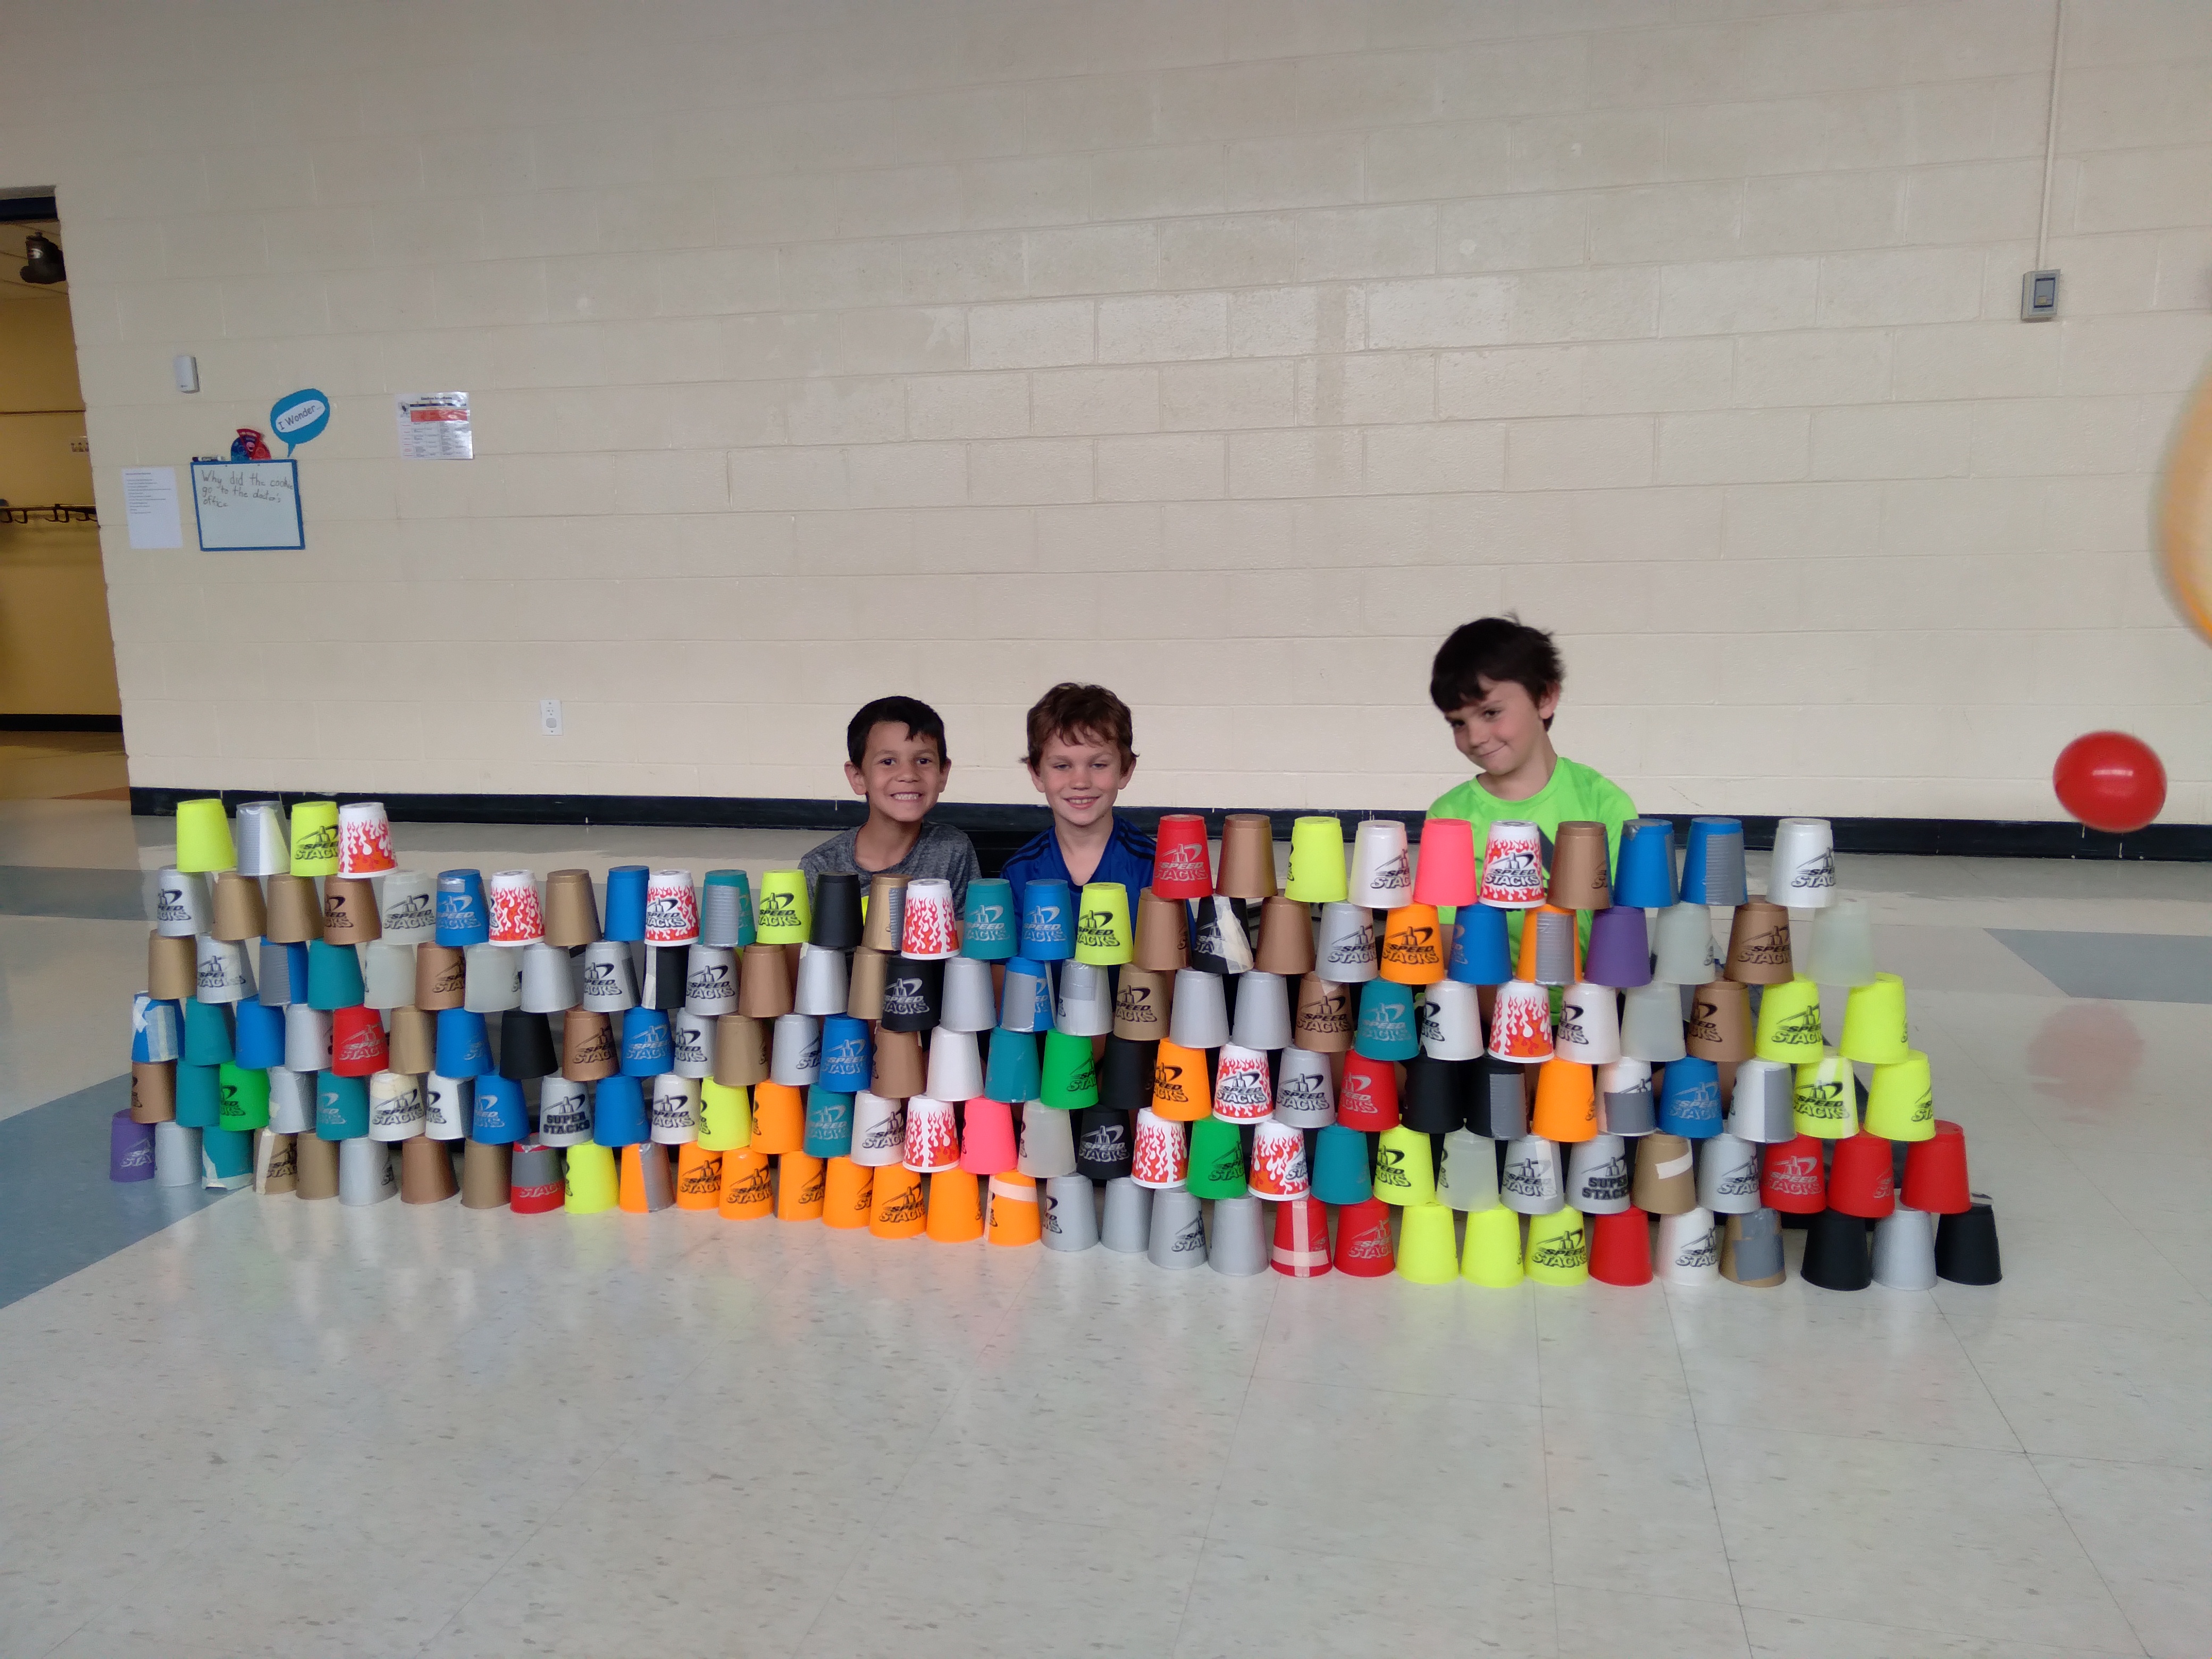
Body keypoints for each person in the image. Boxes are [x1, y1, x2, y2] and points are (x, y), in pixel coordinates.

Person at [1425, 617, 1637, 926]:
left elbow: (1623, 930)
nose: (1475, 737)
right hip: (1478, 976)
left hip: (1584, 975)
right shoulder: (1449, 815)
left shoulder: (1605, 804)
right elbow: (1442, 938)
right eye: (1458, 723)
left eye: (1491, 712)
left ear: (1545, 698)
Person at [799, 696, 980, 907]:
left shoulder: (952, 850)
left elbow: (960, 937)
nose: (908, 774)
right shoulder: (820, 866)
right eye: (888, 762)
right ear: (858, 777)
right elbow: (800, 942)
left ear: (943, 774)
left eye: (923, 761)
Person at [1000, 683, 1155, 920]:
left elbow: (1174, 955)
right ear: (1037, 775)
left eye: (1099, 765)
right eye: (1062, 766)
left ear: (1125, 771)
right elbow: (1005, 958)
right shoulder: (1020, 872)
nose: (1080, 782)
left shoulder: (1153, 868)